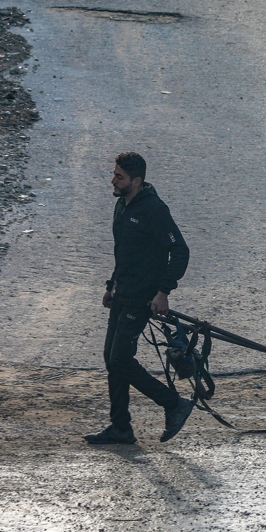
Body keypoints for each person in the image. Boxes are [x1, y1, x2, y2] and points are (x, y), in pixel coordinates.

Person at [84, 152, 195, 445]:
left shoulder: (154, 210)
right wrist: (112, 285)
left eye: (119, 176)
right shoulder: (122, 205)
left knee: (121, 358)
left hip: (141, 298)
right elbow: (125, 253)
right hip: (122, 293)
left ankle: (174, 404)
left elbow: (180, 251)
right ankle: (120, 427)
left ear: (137, 180)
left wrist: (163, 292)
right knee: (112, 359)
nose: (113, 180)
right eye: (114, 173)